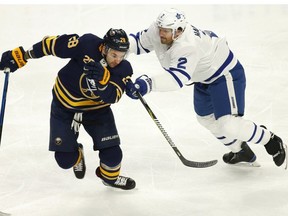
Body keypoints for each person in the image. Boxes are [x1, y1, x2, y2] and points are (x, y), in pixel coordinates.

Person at [125, 8, 287, 168]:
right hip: (203, 77)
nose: (161, 33)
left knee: (228, 125)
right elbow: (138, 42)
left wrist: (148, 83)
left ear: (179, 31)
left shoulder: (188, 46)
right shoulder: (160, 30)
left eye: (166, 31)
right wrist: (119, 47)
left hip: (225, 74)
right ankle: (240, 150)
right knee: (205, 118)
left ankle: (271, 141)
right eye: (160, 29)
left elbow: (177, 78)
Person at [0, 28, 136, 190]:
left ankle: (109, 178)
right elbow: (54, 44)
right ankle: (77, 154)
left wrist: (103, 80)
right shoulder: (87, 44)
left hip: (97, 111)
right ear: (104, 48)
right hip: (64, 105)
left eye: (122, 56)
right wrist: (23, 55)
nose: (117, 60)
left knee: (113, 156)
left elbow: (112, 97)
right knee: (65, 160)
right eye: (114, 55)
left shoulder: (123, 68)